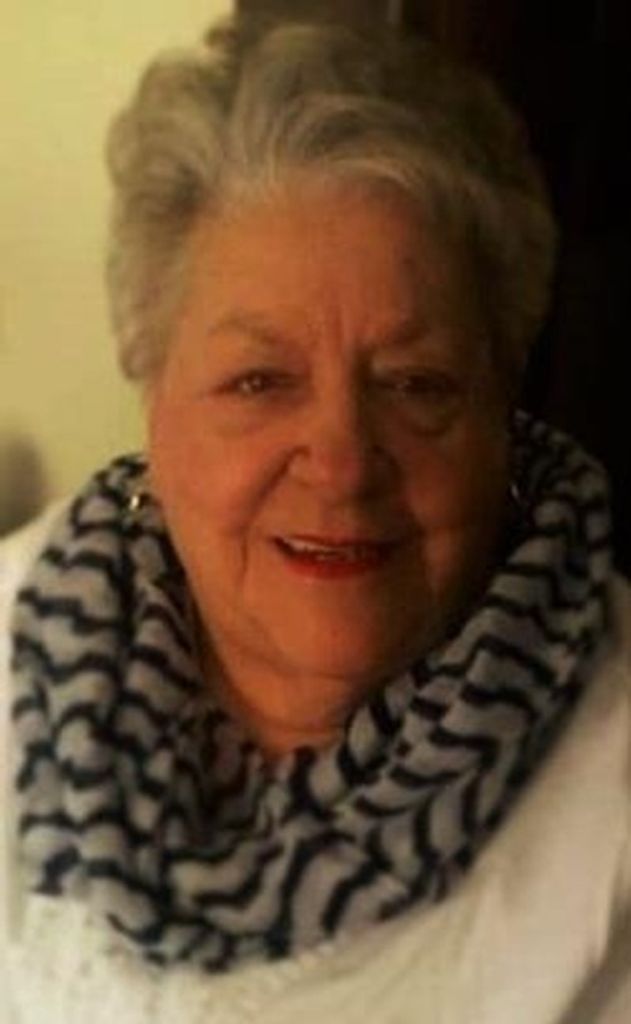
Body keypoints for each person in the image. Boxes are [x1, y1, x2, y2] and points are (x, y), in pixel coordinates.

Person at [2, 14, 630, 1024]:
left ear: (501, 408)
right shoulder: (14, 630)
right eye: (259, 380)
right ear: (154, 399)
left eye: (415, 384)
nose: (340, 466)